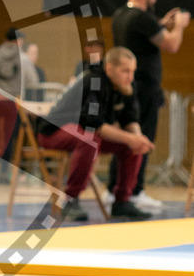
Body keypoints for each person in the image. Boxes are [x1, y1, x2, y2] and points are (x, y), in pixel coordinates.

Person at [37, 47, 154, 222]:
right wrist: (132, 138)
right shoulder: (95, 82)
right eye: (125, 71)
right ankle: (70, 200)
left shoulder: (127, 84)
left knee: (132, 145)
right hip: (54, 131)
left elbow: (130, 117)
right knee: (89, 140)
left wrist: (138, 138)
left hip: (85, 132)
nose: (130, 76)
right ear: (109, 69)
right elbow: (94, 125)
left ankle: (122, 202)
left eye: (133, 71)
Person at [111, 0, 190, 212]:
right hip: (144, 89)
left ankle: (115, 189)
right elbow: (172, 44)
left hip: (128, 88)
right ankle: (135, 191)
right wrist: (180, 26)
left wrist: (161, 23)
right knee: (142, 139)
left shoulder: (120, 15)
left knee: (126, 137)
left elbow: (145, 33)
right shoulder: (143, 18)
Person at [0, 28, 38, 178]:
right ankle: (4, 170)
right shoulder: (23, 58)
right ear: (18, 40)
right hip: (12, 100)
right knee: (9, 135)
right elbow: (32, 81)